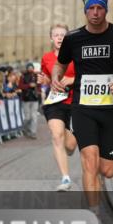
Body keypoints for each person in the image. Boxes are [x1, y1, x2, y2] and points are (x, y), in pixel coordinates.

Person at [51, 0, 113, 213]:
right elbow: (60, 64)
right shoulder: (73, 38)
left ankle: (112, 139)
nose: (95, 12)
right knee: (89, 162)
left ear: (106, 9)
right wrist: (55, 78)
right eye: (91, 8)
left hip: (111, 109)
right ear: (85, 10)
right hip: (83, 107)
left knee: (107, 170)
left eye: (99, 8)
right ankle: (94, 213)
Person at [40, 23, 79, 191]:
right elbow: (47, 79)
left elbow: (86, 76)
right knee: (57, 136)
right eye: (56, 35)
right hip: (55, 102)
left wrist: (72, 80)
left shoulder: (76, 56)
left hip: (75, 101)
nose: (59, 37)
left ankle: (68, 144)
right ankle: (65, 178)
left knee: (70, 145)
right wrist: (45, 81)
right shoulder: (46, 58)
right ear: (51, 38)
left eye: (63, 35)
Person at [18, 63, 41, 139]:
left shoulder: (36, 76)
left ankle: (33, 132)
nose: (30, 69)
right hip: (26, 99)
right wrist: (28, 85)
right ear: (27, 68)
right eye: (29, 67)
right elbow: (20, 86)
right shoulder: (23, 76)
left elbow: (39, 86)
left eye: (32, 67)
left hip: (34, 99)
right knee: (27, 117)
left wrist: (38, 90)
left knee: (34, 116)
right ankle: (25, 128)